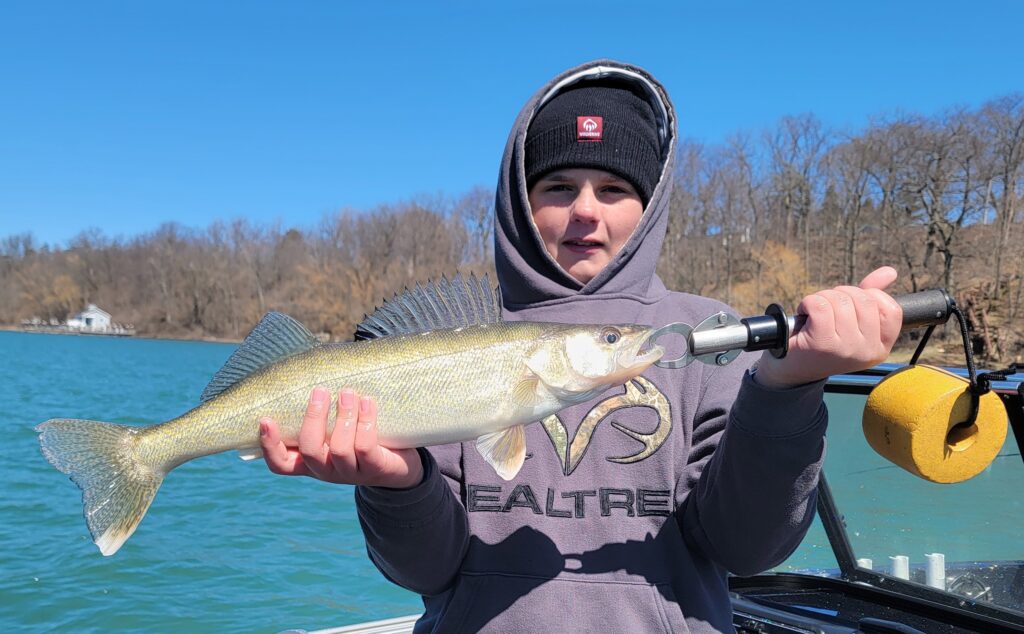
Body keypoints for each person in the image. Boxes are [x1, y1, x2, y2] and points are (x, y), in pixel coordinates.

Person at [258, 59, 901, 633]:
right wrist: (396, 483)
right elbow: (424, 569)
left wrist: (789, 389)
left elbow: (747, 548)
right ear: (520, 201)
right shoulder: (451, 344)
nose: (586, 211)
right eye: (558, 187)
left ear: (650, 210)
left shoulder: (707, 335)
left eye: (615, 190)